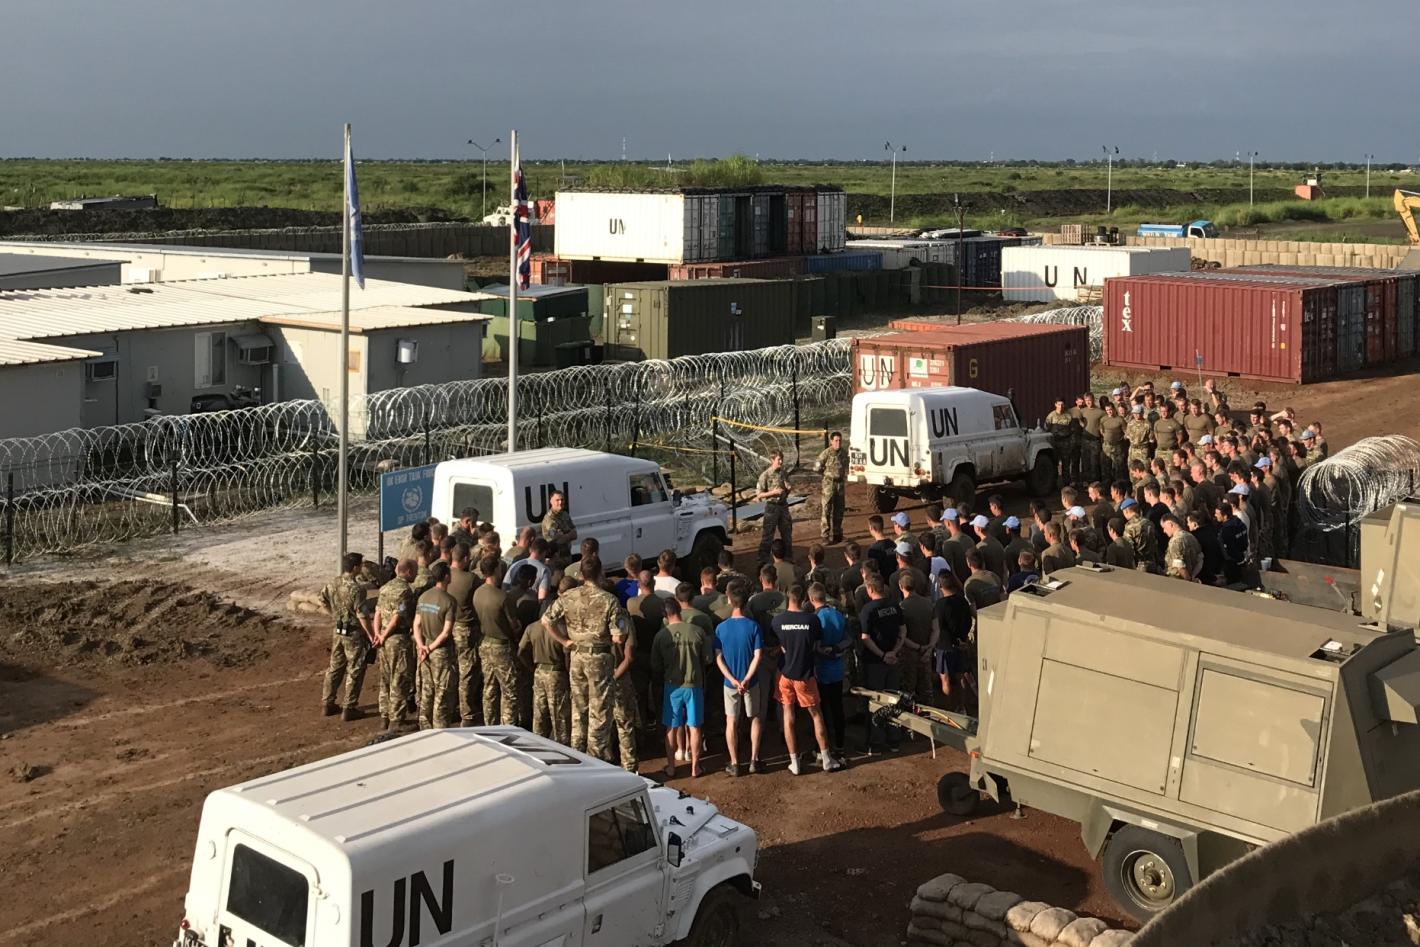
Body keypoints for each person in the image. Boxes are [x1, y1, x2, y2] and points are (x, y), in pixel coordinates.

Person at [540, 554, 625, 761]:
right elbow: (618, 637)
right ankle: (596, 758)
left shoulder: (568, 596)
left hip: (576, 656)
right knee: (600, 710)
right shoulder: (609, 600)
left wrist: (564, 641)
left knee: (578, 709)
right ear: (600, 572)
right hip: (599, 658)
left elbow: (546, 621)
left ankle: (577, 755)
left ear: (581, 574)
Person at [772, 586, 843, 774]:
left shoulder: (777, 621)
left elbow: (777, 644)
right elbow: (816, 644)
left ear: (787, 597)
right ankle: (826, 758)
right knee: (816, 714)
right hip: (805, 675)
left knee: (788, 715)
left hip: (784, 674)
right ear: (805, 599)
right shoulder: (812, 620)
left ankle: (794, 762)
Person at [652, 597, 712, 778]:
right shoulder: (697, 631)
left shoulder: (661, 636)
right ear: (679, 610)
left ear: (665, 615)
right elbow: (708, 659)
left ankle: (671, 766)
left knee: (671, 727)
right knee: (695, 727)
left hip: (672, 687)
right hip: (694, 685)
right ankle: (695, 767)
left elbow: (656, 665)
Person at [715, 581, 766, 776]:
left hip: (730, 683)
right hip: (751, 682)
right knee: (754, 717)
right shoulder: (754, 626)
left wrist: (733, 680)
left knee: (731, 721)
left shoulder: (721, 628)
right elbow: (758, 656)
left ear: (729, 600)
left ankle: (735, 763)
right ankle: (754, 760)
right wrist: (746, 680)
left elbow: (718, 658)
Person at [319, 552, 375, 721]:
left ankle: (327, 702)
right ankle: (349, 707)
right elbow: (362, 615)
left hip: (338, 630)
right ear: (355, 567)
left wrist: (334, 615)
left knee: (335, 666)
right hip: (353, 633)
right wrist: (371, 634)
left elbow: (322, 600)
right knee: (355, 668)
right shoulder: (357, 589)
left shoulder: (333, 583)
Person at [519, 576, 572, 745]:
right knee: (560, 719)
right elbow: (567, 656)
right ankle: (562, 749)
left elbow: (521, 652)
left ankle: (537, 746)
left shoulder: (531, 628)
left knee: (539, 716)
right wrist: (569, 675)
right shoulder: (562, 629)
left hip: (539, 673)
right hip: (557, 674)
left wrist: (532, 668)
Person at [858, 575, 905, 753]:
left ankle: (876, 742)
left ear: (870, 589)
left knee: (876, 701)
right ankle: (894, 739)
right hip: (893, 660)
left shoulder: (868, 609)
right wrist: (894, 651)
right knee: (893, 699)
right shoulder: (895, 606)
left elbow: (865, 637)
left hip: (875, 662)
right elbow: (903, 630)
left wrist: (883, 655)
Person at [474, 555, 524, 727]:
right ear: (496, 569)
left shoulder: (478, 593)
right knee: (509, 690)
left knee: (489, 688)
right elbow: (514, 625)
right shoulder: (503, 597)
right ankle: (508, 727)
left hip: (484, 644)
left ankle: (489, 725)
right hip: (502, 647)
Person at [372, 558, 418, 730]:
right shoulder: (405, 591)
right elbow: (397, 617)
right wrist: (384, 635)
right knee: (399, 678)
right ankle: (397, 720)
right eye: (414, 571)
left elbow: (377, 613)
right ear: (408, 571)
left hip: (383, 641)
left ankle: (384, 715)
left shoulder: (385, 588)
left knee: (385, 678)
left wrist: (378, 634)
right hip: (397, 639)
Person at [413, 562, 458, 729]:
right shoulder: (449, 601)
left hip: (424, 648)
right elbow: (446, 632)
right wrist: (431, 648)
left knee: (427, 689)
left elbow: (416, 624)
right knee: (442, 692)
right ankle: (440, 728)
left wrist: (421, 646)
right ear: (446, 577)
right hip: (440, 651)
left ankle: (424, 726)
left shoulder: (423, 597)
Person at [809, 582, 849, 762]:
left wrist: (823, 651)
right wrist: (836, 649)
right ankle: (840, 745)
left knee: (821, 711)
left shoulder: (815, 619)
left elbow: (813, 646)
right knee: (838, 707)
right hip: (837, 669)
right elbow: (848, 639)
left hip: (821, 671)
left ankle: (821, 748)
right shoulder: (837, 614)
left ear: (811, 599)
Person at [934, 571, 975, 711]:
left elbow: (940, 628)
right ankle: (961, 707)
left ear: (940, 586)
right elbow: (968, 620)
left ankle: (950, 710)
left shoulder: (940, 605)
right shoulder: (962, 600)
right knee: (960, 677)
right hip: (961, 644)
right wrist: (962, 639)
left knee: (945, 679)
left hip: (945, 647)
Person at [896, 571, 937, 704]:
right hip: (926, 655)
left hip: (909, 654)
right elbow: (936, 629)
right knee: (926, 689)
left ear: (901, 586)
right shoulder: (928, 604)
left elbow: (901, 635)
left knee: (908, 691)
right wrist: (929, 648)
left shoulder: (902, 608)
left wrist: (918, 647)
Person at [756, 450, 793, 566]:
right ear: (772, 460)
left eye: (782, 459)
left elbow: (787, 488)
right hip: (772, 508)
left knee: (787, 534)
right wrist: (773, 493)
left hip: (783, 507)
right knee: (768, 536)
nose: (781, 462)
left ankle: (788, 558)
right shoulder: (765, 475)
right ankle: (763, 560)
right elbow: (759, 495)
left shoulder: (784, 473)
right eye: (778, 459)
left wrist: (788, 488)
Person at [816, 431, 849, 544]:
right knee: (826, 509)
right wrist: (826, 475)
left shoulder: (843, 453)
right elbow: (817, 467)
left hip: (840, 484)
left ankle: (837, 534)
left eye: (840, 440)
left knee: (839, 509)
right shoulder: (826, 453)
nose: (838, 443)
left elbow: (847, 465)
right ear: (831, 441)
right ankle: (825, 535)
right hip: (829, 484)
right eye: (836, 440)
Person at [1120, 498, 1159, 572]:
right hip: (1152, 562)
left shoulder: (1129, 526)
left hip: (1139, 564)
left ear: (1126, 511)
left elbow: (1128, 548)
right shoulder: (1149, 522)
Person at [1161, 515, 1203, 581]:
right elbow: (1200, 560)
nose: (1164, 531)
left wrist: (1188, 580)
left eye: (1164, 527)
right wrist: (1193, 576)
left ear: (1170, 524)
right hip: (1191, 575)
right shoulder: (1191, 537)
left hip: (1176, 580)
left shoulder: (1175, 541)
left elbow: (1179, 566)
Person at [1044, 398, 1075, 488]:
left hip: (1065, 443)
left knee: (1066, 465)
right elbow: (1046, 429)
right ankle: (1053, 484)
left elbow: (1072, 431)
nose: (1060, 406)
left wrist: (1071, 443)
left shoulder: (1068, 416)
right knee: (1054, 464)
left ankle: (1066, 484)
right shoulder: (1051, 416)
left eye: (1062, 404)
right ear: (1055, 404)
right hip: (1055, 443)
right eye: (1059, 404)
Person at [540, 490, 577, 561]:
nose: (560, 502)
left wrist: (563, 535)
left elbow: (575, 534)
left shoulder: (565, 514)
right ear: (551, 501)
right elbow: (556, 540)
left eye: (562, 500)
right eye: (557, 500)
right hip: (556, 559)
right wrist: (569, 535)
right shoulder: (550, 518)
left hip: (567, 556)